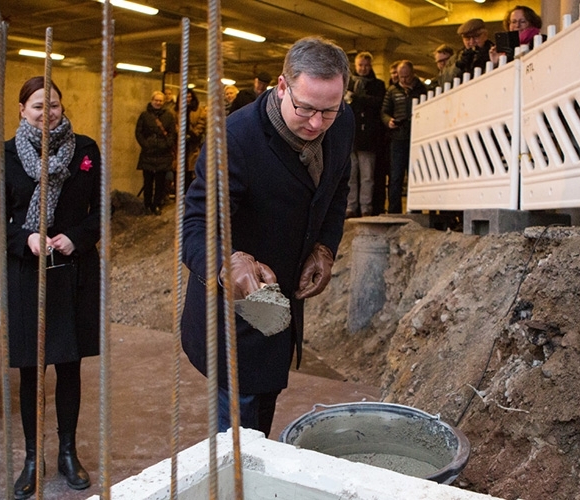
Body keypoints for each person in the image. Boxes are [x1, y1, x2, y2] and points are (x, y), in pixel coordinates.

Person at [181, 36, 354, 436]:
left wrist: (325, 245)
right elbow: (194, 225)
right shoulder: (235, 140)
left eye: (328, 111)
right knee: (239, 435)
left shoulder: (342, 122)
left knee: (264, 406)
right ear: (281, 86)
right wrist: (226, 263)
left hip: (284, 302)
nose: (316, 123)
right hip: (235, 306)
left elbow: (337, 186)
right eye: (305, 108)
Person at [0, 76, 102, 499]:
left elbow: (100, 211)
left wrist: (76, 236)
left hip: (72, 271)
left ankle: (68, 453)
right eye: (38, 106)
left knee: (69, 365)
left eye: (53, 105)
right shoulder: (3, 156)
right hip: (27, 275)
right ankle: (33, 457)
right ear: (22, 110)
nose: (47, 113)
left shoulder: (85, 149)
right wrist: (27, 238)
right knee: (31, 370)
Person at [381, 60, 427, 214]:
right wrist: (389, 121)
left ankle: (416, 210)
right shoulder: (392, 91)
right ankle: (394, 211)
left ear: (413, 74)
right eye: (401, 77)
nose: (404, 80)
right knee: (396, 176)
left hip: (417, 138)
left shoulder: (423, 90)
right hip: (398, 138)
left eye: (406, 77)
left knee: (416, 176)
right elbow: (384, 112)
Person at [345, 51, 386, 218]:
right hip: (351, 137)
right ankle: (350, 206)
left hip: (369, 137)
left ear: (371, 66)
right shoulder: (347, 83)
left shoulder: (378, 85)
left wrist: (358, 99)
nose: (363, 68)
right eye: (360, 65)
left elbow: (378, 103)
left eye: (366, 65)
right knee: (351, 175)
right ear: (355, 65)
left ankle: (366, 206)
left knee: (367, 176)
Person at [136, 90, 177, 215]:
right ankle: (147, 204)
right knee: (147, 181)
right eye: (156, 100)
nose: (158, 103)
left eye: (160, 101)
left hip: (163, 154)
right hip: (148, 153)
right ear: (152, 100)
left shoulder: (169, 116)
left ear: (163, 102)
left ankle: (156, 204)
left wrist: (167, 144)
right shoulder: (144, 115)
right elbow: (139, 132)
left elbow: (172, 133)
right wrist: (146, 144)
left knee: (160, 182)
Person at [436, 18, 494, 88]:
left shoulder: (494, 51)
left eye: (476, 37)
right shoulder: (456, 58)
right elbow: (443, 82)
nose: (472, 42)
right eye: (467, 39)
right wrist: (458, 66)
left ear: (485, 35)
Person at [178, 88, 207, 191]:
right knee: (180, 170)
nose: (188, 99)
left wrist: (193, 134)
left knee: (191, 170)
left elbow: (202, 123)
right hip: (179, 145)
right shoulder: (176, 110)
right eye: (186, 97)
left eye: (190, 97)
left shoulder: (198, 110)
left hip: (193, 144)